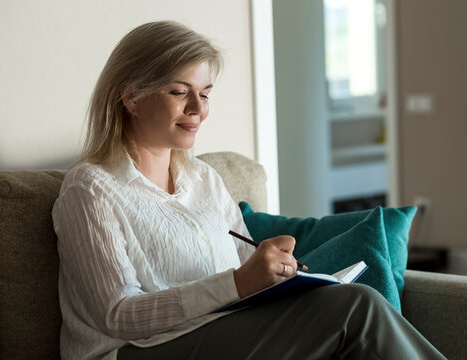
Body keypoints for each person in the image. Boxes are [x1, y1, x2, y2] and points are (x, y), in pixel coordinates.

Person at [52, 21, 445, 360]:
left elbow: (246, 269)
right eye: (179, 92)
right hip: (134, 352)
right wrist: (240, 282)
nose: (198, 109)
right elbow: (119, 315)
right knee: (356, 307)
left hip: (222, 331)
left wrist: (278, 276)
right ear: (131, 96)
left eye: (204, 93)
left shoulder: (204, 179)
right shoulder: (91, 189)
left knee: (348, 302)